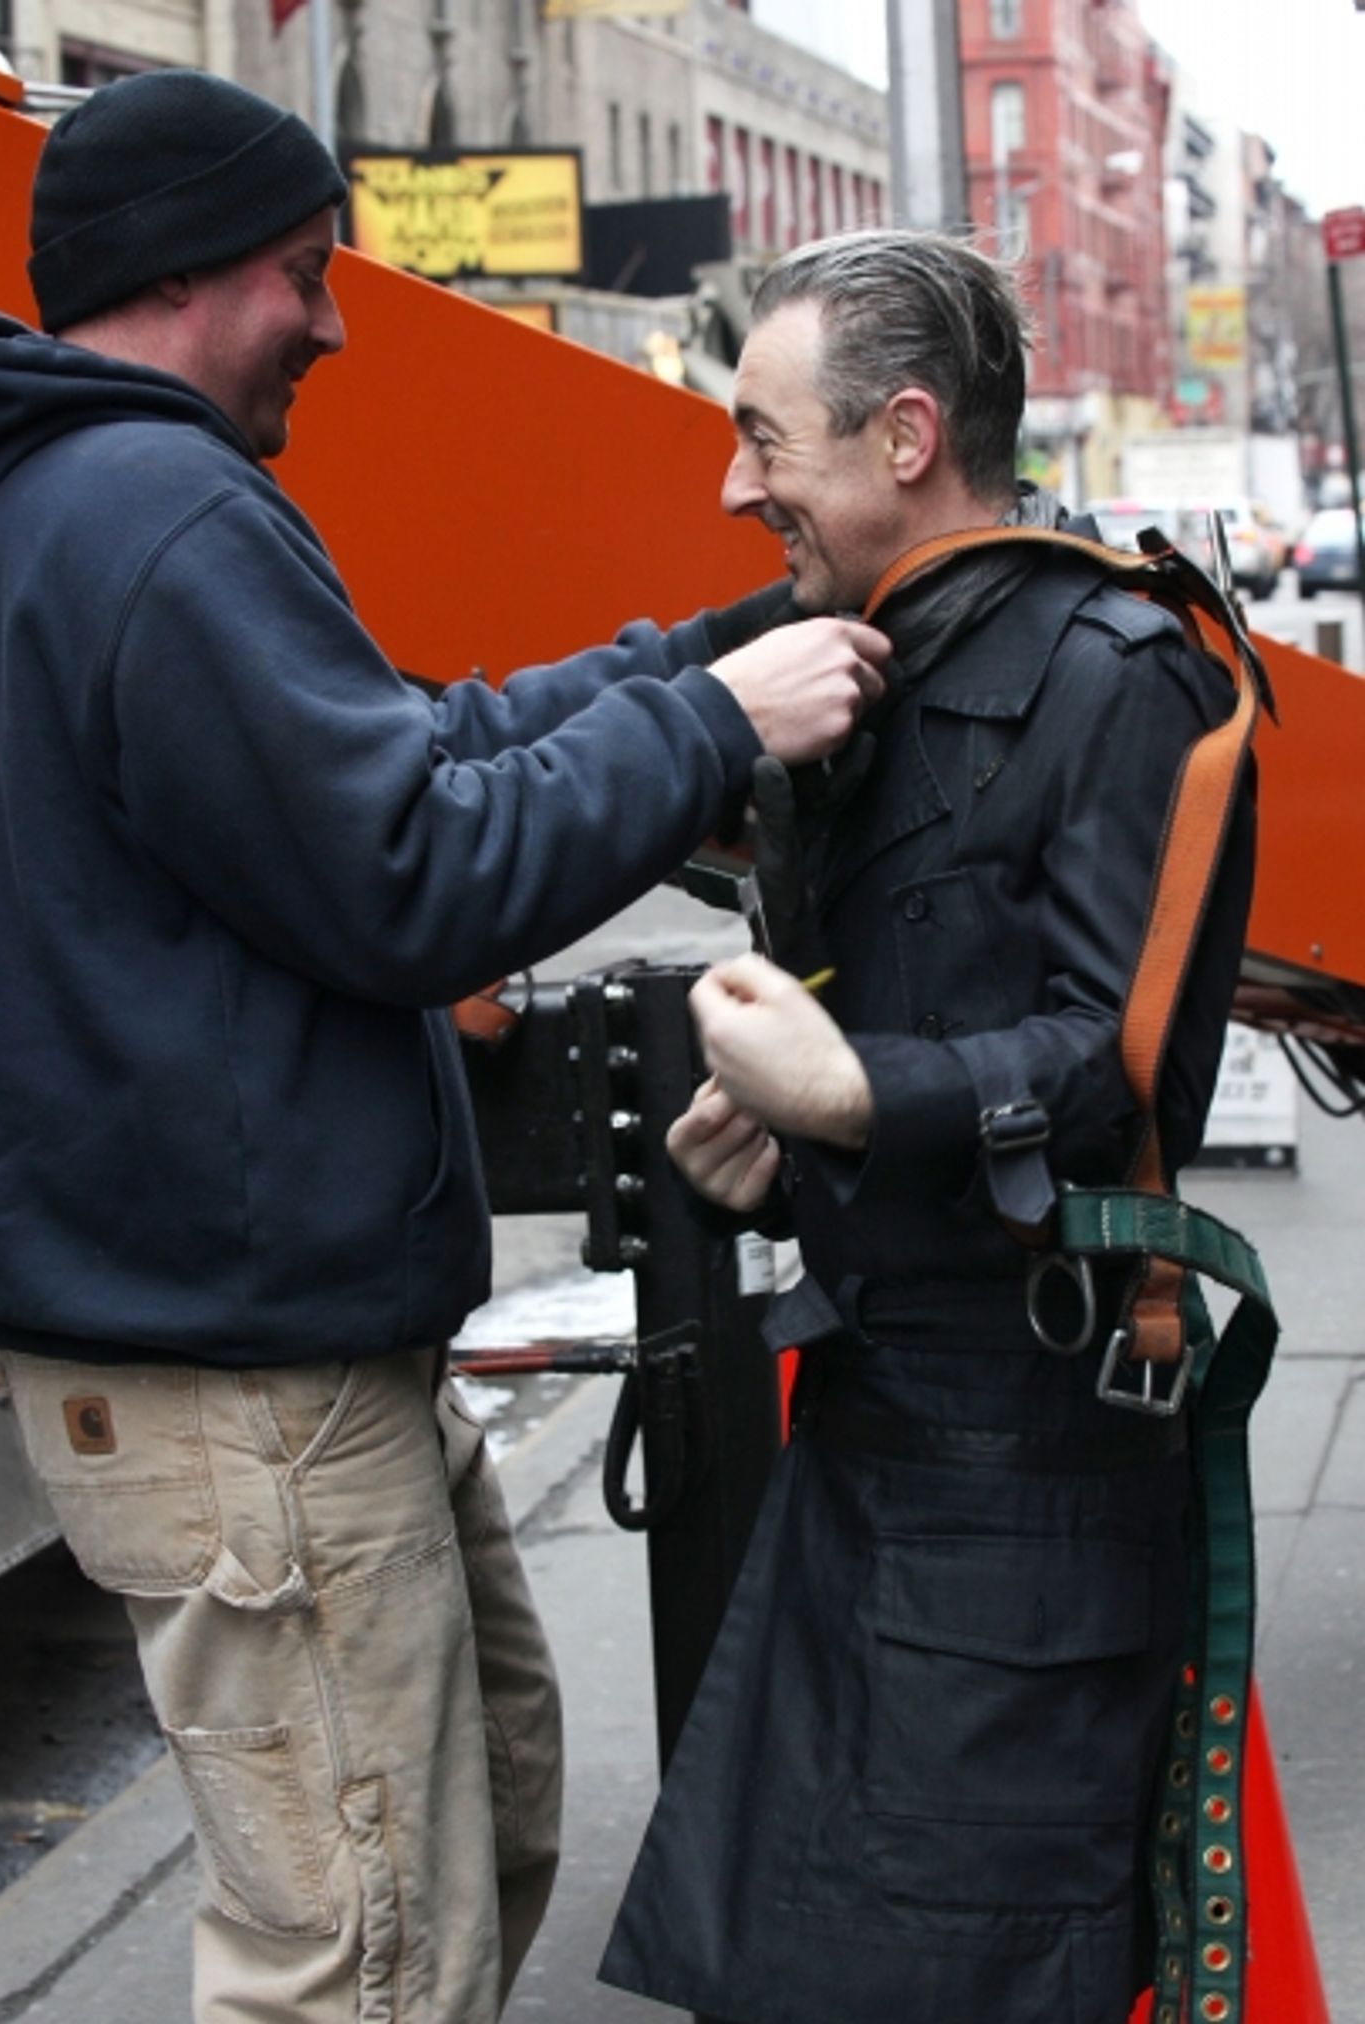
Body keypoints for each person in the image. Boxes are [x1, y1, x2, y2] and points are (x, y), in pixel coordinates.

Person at [0, 71, 890, 2024]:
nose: (332, 319)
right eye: (306, 271)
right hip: (251, 1391)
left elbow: (397, 751)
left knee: (468, 1839)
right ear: (192, 271)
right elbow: (414, 872)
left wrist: (686, 665)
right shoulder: (154, 513)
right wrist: (715, 729)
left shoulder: (72, 501)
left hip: (259, 1363)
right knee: (361, 1966)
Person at [600, 231, 1255, 2023]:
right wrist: (792, 1116)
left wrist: (860, 1094)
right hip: (879, 1435)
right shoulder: (851, 649)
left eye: (763, 437)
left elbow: (1129, 1067)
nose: (733, 485)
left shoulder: (1125, 672)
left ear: (904, 436)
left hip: (1030, 1478)